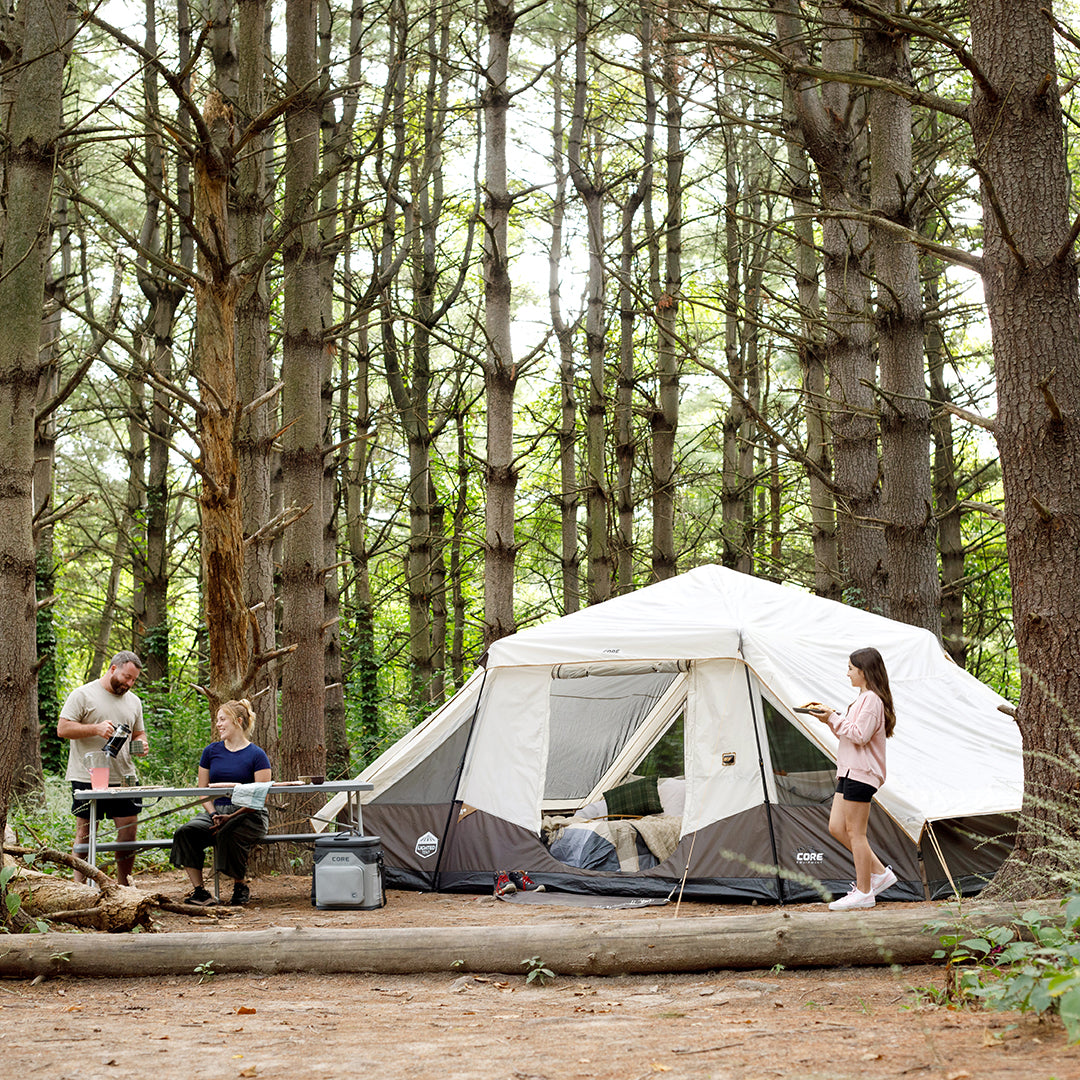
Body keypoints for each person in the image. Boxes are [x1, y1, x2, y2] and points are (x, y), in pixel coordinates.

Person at [806, 646, 898, 911]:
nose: (847, 674)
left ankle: (864, 892)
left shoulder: (872, 700)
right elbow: (851, 736)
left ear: (864, 671)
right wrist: (830, 720)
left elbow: (859, 735)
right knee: (836, 827)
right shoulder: (862, 699)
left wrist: (834, 718)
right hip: (848, 770)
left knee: (856, 834)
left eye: (850, 669)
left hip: (862, 773)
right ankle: (880, 874)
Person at [57, 650, 148, 886]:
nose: (129, 683)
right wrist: (95, 729)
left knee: (129, 836)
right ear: (113, 668)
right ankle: (80, 888)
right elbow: (63, 729)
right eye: (127, 677)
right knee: (86, 836)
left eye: (133, 680)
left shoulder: (134, 701)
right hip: (88, 776)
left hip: (125, 777)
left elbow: (138, 734)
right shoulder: (83, 695)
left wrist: (142, 745)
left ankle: (123, 887)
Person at [171, 698, 271, 907]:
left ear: (238, 721)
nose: (218, 724)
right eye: (217, 720)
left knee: (229, 831)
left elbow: (261, 798)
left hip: (248, 814)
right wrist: (213, 814)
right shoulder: (210, 752)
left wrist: (230, 817)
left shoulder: (257, 755)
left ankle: (240, 886)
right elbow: (203, 791)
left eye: (222, 719)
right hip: (216, 812)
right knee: (186, 832)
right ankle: (200, 892)